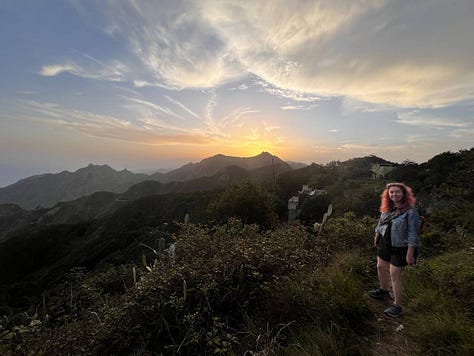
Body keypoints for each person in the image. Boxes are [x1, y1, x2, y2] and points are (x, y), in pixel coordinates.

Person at [369, 182, 421, 317]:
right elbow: (380, 223)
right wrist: (376, 235)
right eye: (391, 192)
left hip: (400, 248)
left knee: (395, 276)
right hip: (385, 244)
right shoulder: (388, 208)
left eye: (397, 192)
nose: (394, 194)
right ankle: (383, 290)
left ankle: (397, 306)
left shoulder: (411, 212)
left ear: (404, 194)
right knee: (380, 267)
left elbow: (413, 234)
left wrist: (410, 253)